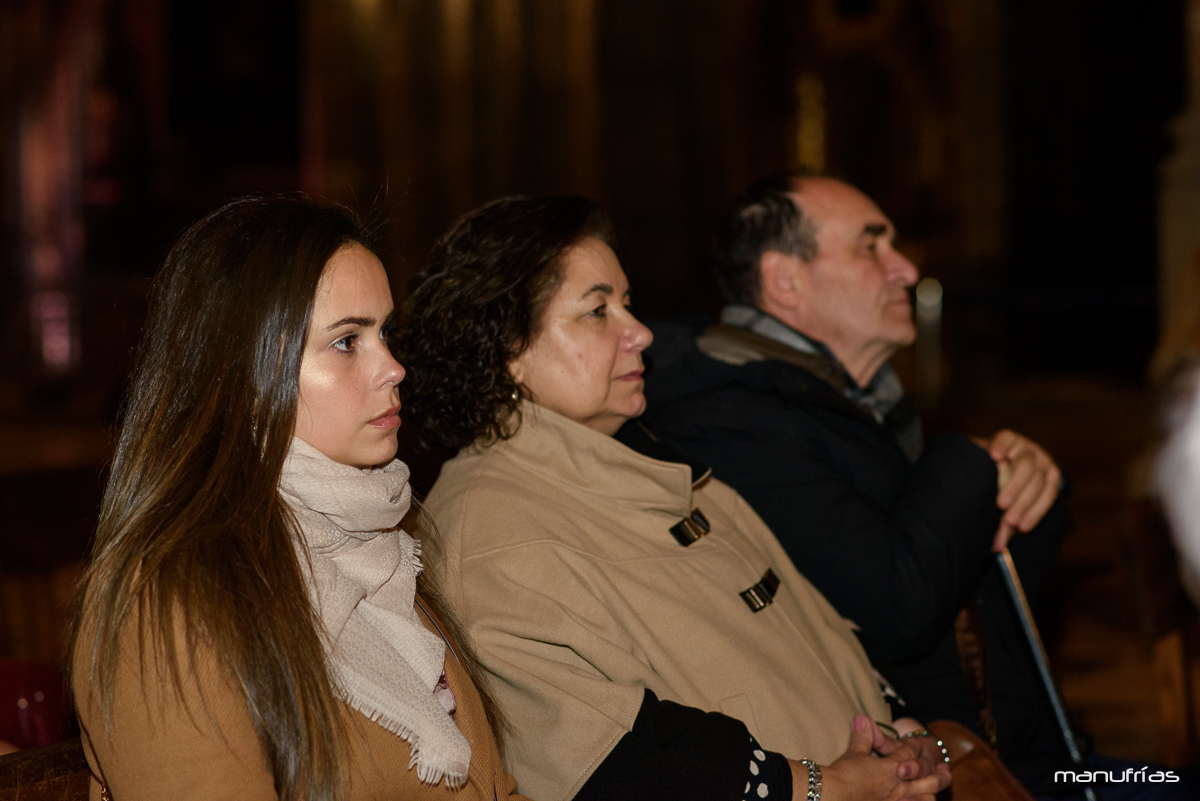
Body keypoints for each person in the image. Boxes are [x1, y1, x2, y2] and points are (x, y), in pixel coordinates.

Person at [638, 173, 1195, 798]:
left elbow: (984, 607)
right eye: (871, 246)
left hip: (1044, 756)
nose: (904, 268)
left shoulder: (845, 401)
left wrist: (1033, 488)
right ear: (785, 280)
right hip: (959, 775)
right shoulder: (730, 422)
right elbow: (898, 608)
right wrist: (966, 461)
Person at [399, 195, 952, 801]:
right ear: (509, 351)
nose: (640, 332)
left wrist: (899, 732)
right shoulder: (485, 532)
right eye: (596, 311)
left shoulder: (660, 469)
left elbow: (821, 632)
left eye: (628, 304)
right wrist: (818, 788)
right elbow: (609, 761)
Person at [68, 195, 530, 801]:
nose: (394, 367)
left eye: (385, 332)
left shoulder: (380, 550)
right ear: (243, 374)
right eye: (347, 341)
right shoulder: (167, 605)